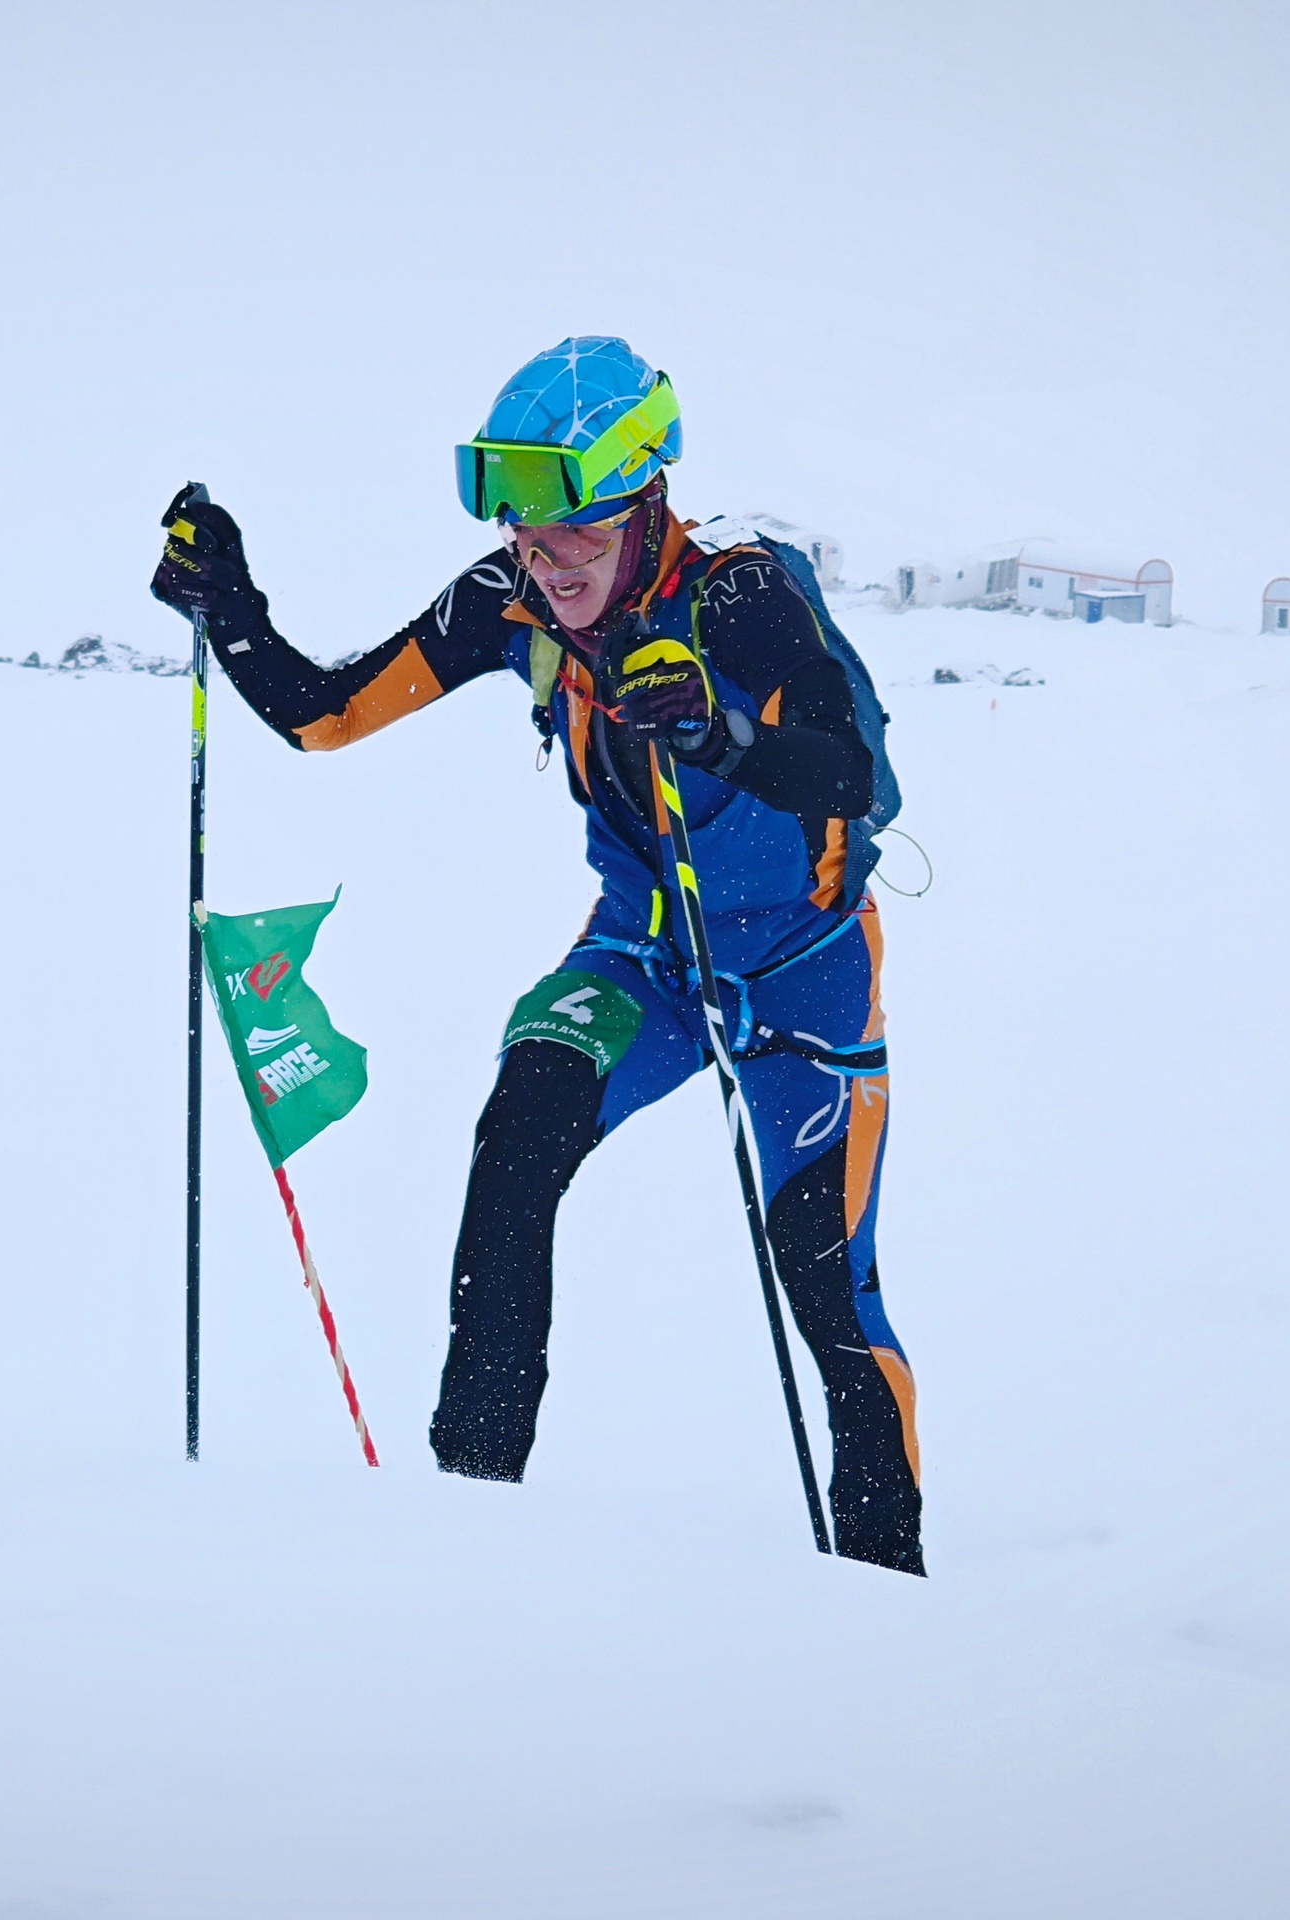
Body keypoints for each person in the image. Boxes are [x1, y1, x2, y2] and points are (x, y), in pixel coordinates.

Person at [151, 337, 922, 1573]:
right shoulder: (504, 599)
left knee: (826, 1288)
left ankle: (890, 1597)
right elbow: (325, 714)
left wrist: (718, 733)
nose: (541, 556)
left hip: (806, 974)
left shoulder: (737, 595)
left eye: (572, 531)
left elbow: (853, 779)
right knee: (518, 1140)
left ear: (644, 503)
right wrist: (227, 605)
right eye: (518, 523)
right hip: (640, 957)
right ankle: (467, 1532)